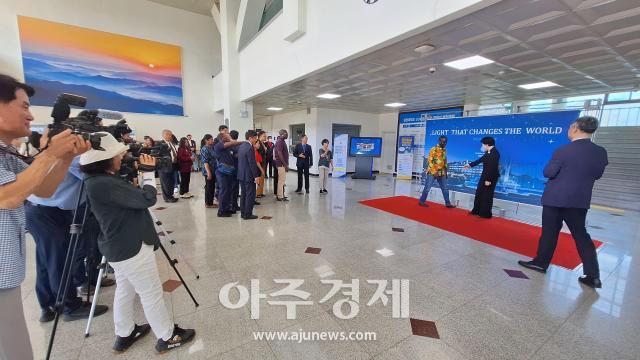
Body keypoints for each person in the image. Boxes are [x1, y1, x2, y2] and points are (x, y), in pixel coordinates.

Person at [0, 74, 93, 360]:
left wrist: (63, 157)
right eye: (24, 106)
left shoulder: (7, 153)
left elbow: (43, 189)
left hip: (7, 273)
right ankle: (63, 303)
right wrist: (50, 153)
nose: (30, 115)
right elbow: (9, 197)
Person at [79, 132, 195, 353]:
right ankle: (167, 336)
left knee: (125, 289)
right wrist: (149, 175)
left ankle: (124, 332)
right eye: (118, 155)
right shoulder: (104, 183)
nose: (122, 158)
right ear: (104, 160)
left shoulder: (98, 180)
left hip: (118, 246)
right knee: (151, 292)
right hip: (131, 246)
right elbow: (147, 199)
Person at [519, 116, 608, 289]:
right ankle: (593, 275)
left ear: (576, 128)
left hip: (556, 199)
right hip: (579, 200)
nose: (569, 129)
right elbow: (597, 175)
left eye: (570, 126)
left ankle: (540, 263)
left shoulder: (563, 150)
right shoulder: (600, 152)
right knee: (582, 236)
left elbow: (548, 172)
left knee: (550, 233)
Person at [463, 137, 500, 218]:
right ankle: (476, 211)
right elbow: (480, 160)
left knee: (487, 196)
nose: (482, 146)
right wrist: (470, 165)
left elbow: (492, 168)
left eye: (483, 144)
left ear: (487, 144)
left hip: (490, 178)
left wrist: (488, 180)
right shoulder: (489, 152)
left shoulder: (494, 153)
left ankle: (485, 214)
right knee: (479, 193)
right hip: (485, 175)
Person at [418, 136, 456, 208]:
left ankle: (448, 204)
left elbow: (445, 161)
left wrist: (446, 171)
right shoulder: (433, 149)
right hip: (433, 172)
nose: (443, 143)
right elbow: (430, 161)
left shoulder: (445, 150)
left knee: (445, 188)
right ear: (439, 141)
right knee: (427, 188)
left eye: (445, 142)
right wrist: (434, 171)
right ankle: (421, 201)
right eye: (442, 141)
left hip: (442, 173)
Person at [214, 132, 243, 217]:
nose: (229, 136)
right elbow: (233, 143)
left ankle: (226, 208)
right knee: (224, 191)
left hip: (228, 172)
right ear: (222, 137)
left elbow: (236, 151)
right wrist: (244, 142)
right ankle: (221, 211)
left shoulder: (227, 147)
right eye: (227, 135)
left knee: (228, 191)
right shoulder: (219, 145)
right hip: (222, 172)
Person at [237, 130, 261, 220]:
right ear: (250, 138)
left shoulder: (242, 146)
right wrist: (256, 176)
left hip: (241, 174)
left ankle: (243, 213)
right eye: (255, 138)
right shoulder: (250, 147)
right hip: (248, 175)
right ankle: (248, 214)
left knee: (243, 194)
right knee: (250, 195)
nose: (256, 140)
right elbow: (252, 163)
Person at [158, 130, 179, 203]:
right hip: (164, 167)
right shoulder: (160, 144)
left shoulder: (170, 143)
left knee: (171, 182)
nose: (171, 136)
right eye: (169, 135)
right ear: (165, 135)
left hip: (172, 165)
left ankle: (170, 195)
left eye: (171, 135)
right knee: (165, 182)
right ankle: (167, 197)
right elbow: (157, 155)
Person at [200, 134, 217, 208]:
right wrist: (208, 173)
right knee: (209, 187)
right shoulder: (205, 149)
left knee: (211, 186)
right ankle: (208, 203)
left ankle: (210, 202)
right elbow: (205, 162)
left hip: (214, 170)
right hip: (209, 171)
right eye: (211, 139)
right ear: (206, 140)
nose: (212, 141)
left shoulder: (211, 147)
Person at [274, 129, 290, 201]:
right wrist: (285, 165)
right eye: (286, 133)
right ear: (282, 134)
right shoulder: (280, 142)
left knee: (282, 180)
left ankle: (281, 194)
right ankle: (280, 196)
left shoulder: (282, 141)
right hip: (281, 165)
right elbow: (280, 153)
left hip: (282, 164)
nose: (287, 135)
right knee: (281, 181)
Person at [230, 130, 241, 211]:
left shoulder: (229, 145)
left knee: (232, 188)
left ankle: (233, 205)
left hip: (230, 169)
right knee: (235, 188)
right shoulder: (239, 145)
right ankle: (234, 205)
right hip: (237, 169)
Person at [255, 131, 267, 198]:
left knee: (262, 178)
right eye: (264, 136)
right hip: (260, 163)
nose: (265, 137)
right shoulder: (258, 142)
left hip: (263, 162)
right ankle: (258, 193)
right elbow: (258, 154)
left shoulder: (263, 143)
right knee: (259, 178)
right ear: (260, 136)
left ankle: (261, 192)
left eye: (266, 136)